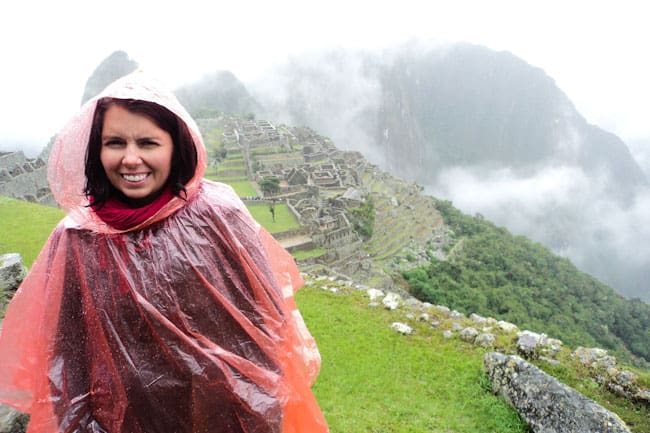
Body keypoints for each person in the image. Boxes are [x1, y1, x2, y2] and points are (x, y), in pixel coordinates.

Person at [0, 71, 329, 433]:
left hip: (227, 418)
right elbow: (66, 357)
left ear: (176, 146)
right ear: (97, 149)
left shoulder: (219, 218)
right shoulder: (78, 238)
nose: (130, 159)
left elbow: (269, 334)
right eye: (114, 143)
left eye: (148, 143)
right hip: (124, 423)